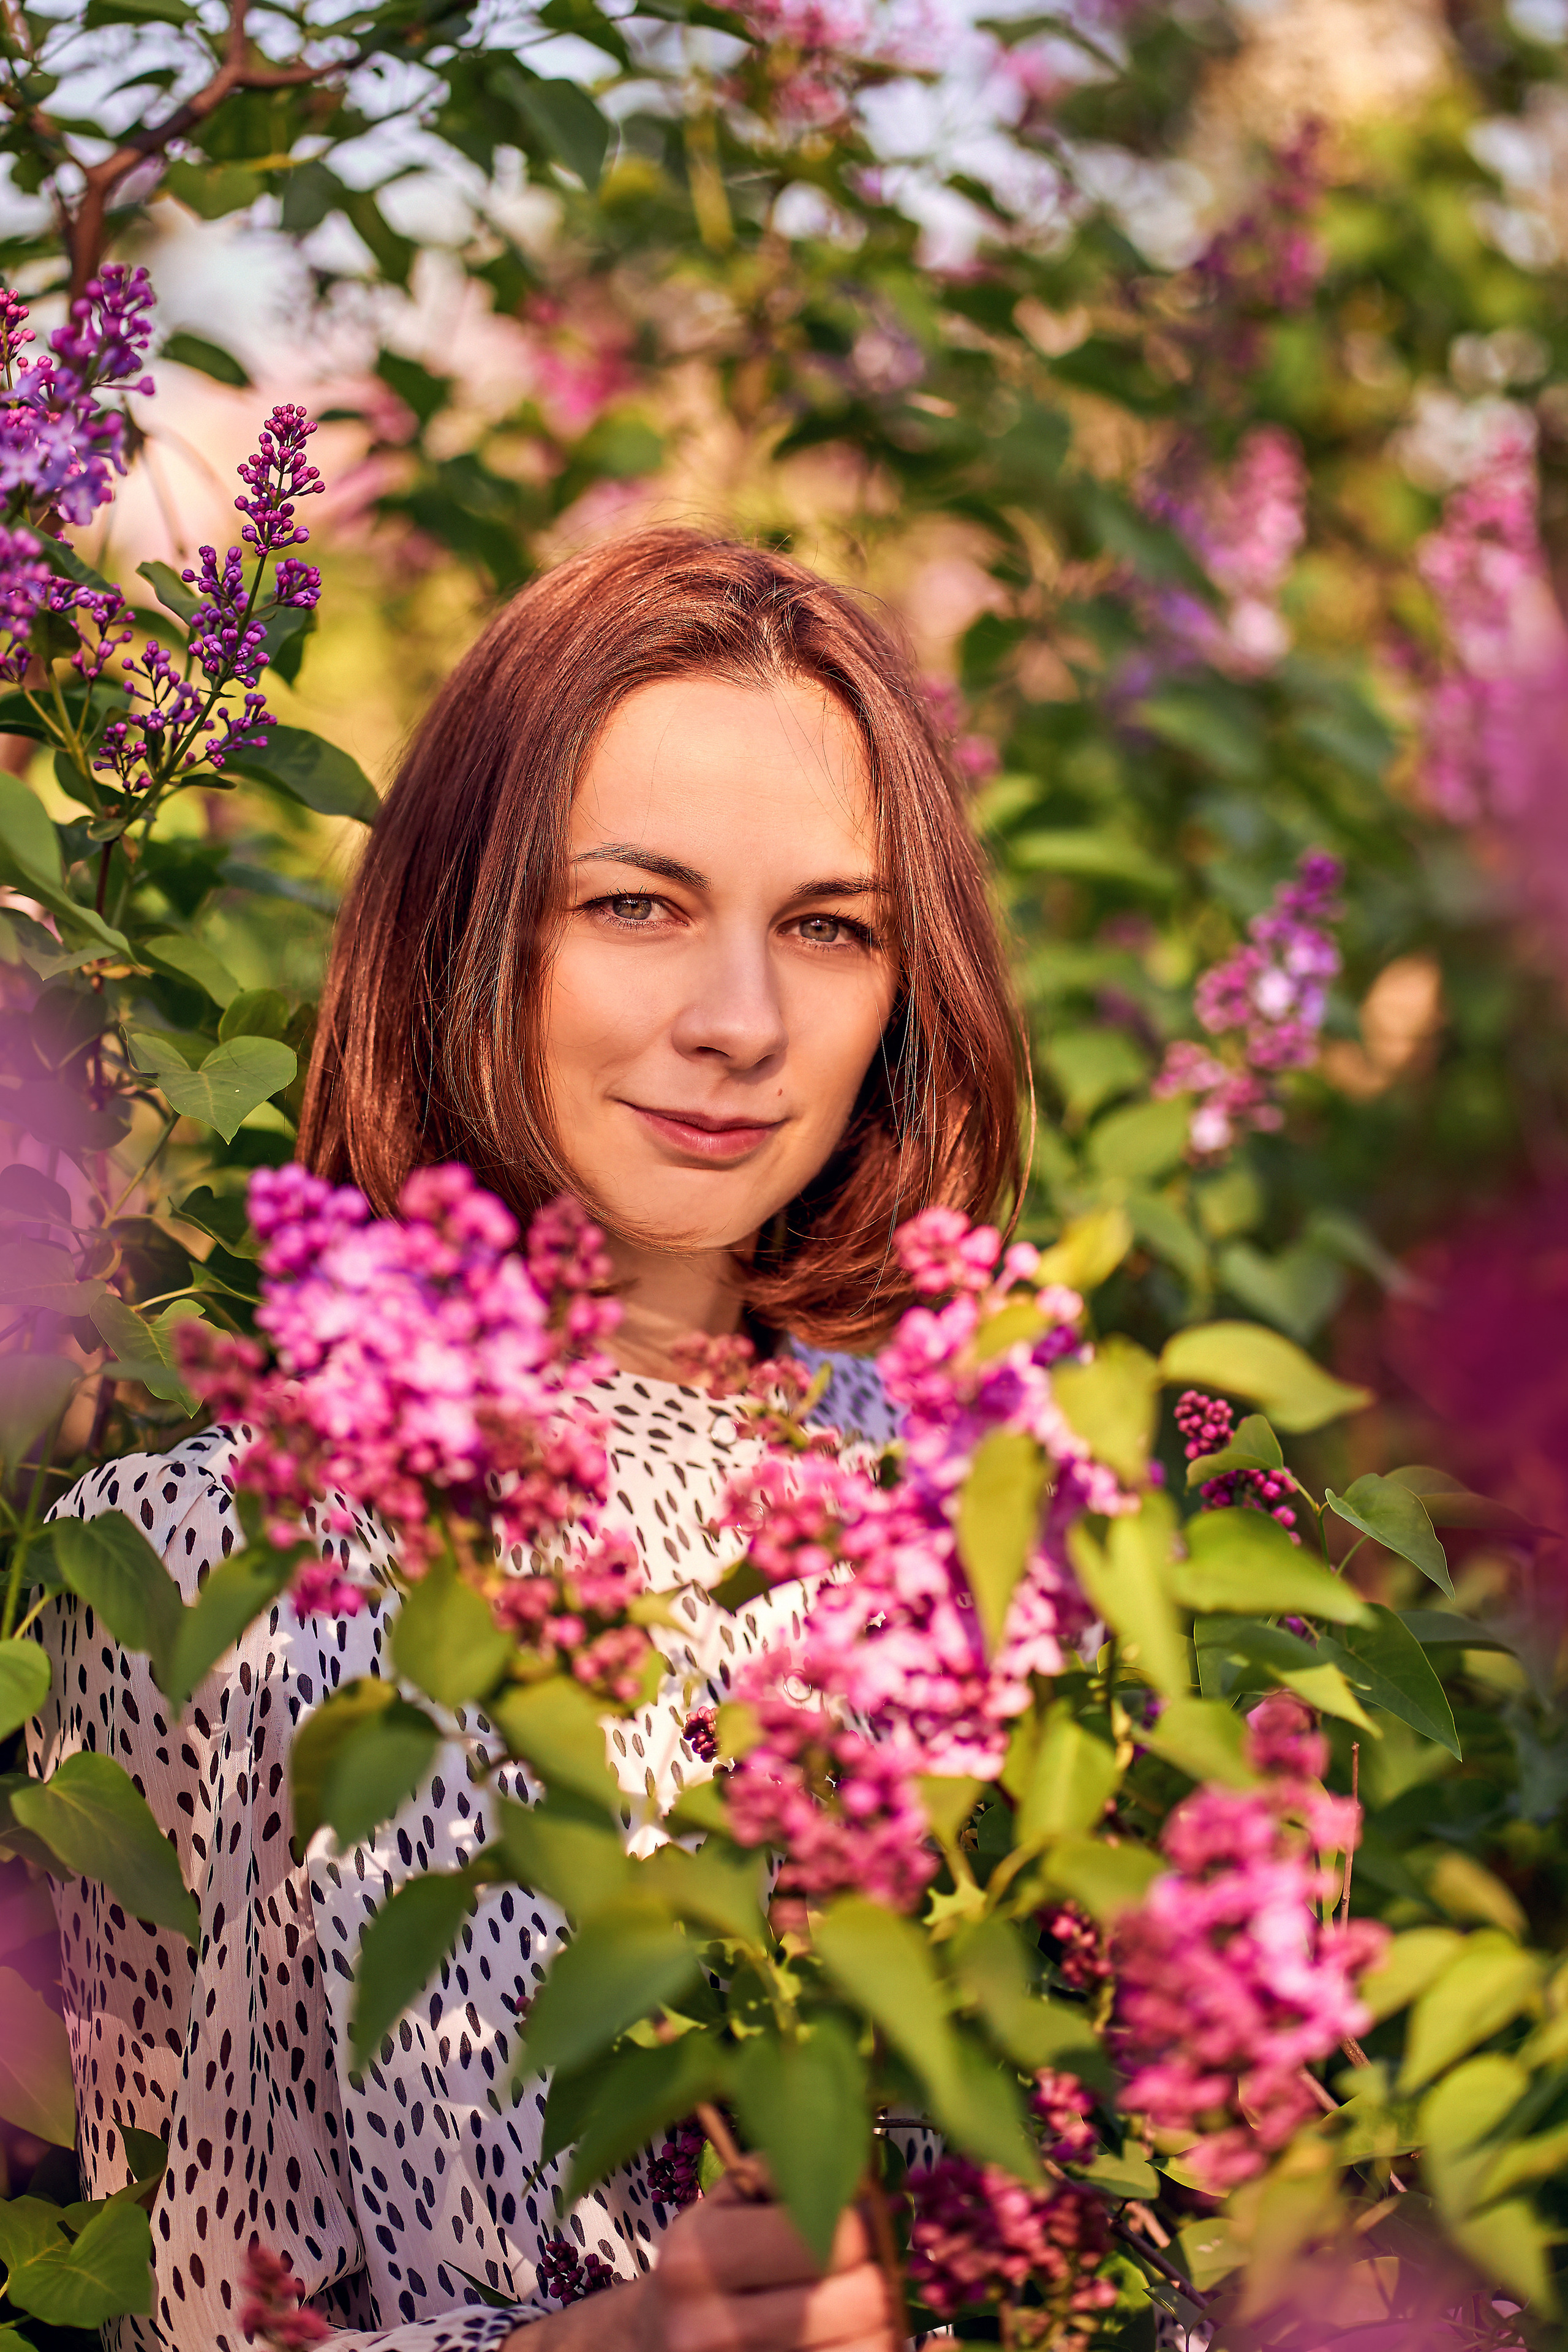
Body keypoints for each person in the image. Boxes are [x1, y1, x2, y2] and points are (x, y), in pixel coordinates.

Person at [29, 529, 1025, 2351]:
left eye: (827, 925)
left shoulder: (983, 1498)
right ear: (468, 926)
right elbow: (174, 2308)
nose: (738, 1023)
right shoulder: (220, 1563)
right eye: (636, 904)